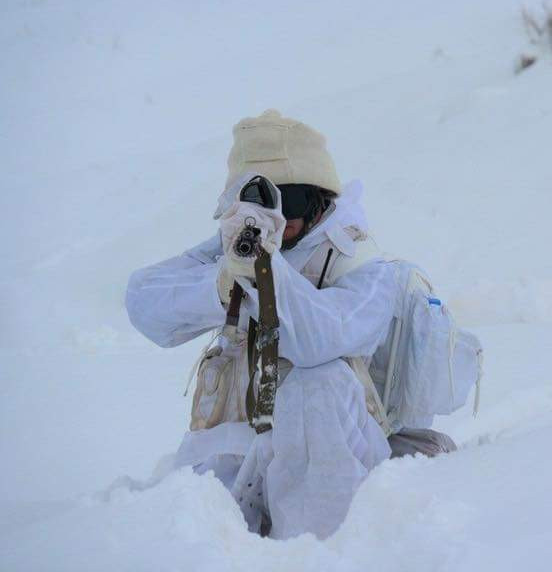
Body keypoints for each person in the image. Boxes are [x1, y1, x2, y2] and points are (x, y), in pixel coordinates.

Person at [126, 109, 455, 539]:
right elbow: (145, 303)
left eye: (292, 200)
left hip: (336, 471)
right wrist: (226, 281)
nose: (282, 219)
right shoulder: (240, 246)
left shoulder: (368, 267)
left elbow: (316, 340)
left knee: (315, 382)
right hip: (242, 461)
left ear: (321, 199)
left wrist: (262, 270)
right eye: (266, 201)